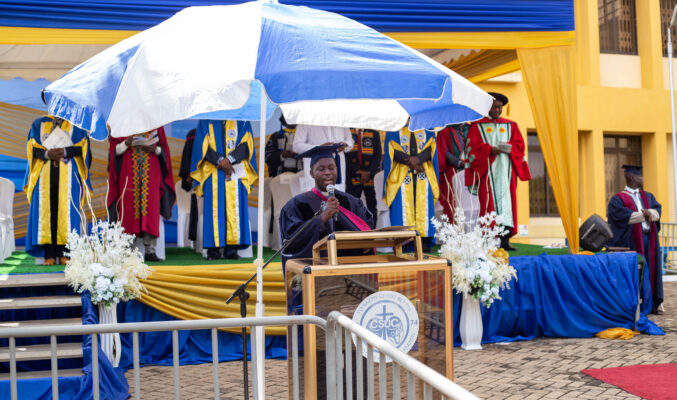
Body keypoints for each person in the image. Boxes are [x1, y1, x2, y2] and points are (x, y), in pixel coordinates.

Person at [279, 144, 374, 267]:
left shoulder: (353, 202)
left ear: (337, 170)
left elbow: (367, 231)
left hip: (350, 268)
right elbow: (291, 241)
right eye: (321, 169)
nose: (327, 172)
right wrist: (321, 220)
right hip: (315, 268)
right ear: (311, 173)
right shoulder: (296, 205)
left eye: (331, 168)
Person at [465, 92, 531, 251]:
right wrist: (489, 150)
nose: (497, 110)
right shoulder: (476, 126)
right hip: (487, 172)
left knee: (507, 204)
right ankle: (488, 240)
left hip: (506, 172)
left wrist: (510, 148)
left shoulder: (511, 125)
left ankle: (505, 241)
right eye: (494, 107)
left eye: (500, 107)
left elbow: (519, 146)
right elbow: (472, 149)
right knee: (488, 204)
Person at [24, 116, 91, 265]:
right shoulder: (38, 123)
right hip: (44, 175)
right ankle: (49, 254)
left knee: (66, 213)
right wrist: (47, 154)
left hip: (69, 176)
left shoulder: (76, 125)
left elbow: (84, 148)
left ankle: (64, 253)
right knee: (47, 213)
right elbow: (32, 148)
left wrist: (65, 151)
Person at [190, 120, 257, 260]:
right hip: (212, 170)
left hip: (235, 169)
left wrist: (230, 160)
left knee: (234, 208)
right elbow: (201, 145)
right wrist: (220, 160)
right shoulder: (206, 120)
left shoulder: (242, 119)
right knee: (214, 209)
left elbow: (246, 145)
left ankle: (231, 249)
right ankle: (213, 250)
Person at [108, 127, 175, 262]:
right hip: (128, 171)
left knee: (150, 208)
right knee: (128, 209)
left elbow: (164, 150)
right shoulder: (122, 123)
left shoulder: (156, 123)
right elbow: (114, 151)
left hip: (151, 172)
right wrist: (126, 143)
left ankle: (150, 250)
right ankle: (127, 250)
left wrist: (154, 149)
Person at [607, 165, 663, 314]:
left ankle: (651, 304)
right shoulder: (618, 199)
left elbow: (657, 211)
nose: (642, 178)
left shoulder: (648, 196)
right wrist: (645, 215)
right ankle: (634, 305)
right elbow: (621, 217)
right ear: (631, 177)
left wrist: (650, 213)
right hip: (631, 241)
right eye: (640, 176)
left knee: (651, 271)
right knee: (635, 273)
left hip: (649, 239)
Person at [383, 126, 439, 251]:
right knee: (401, 211)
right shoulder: (394, 125)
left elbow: (432, 147)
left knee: (423, 209)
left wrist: (418, 159)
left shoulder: (427, 126)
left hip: (423, 173)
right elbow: (391, 149)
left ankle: (423, 245)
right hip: (400, 175)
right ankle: (402, 246)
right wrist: (411, 161)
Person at [293, 124, 353, 192]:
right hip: (316, 166)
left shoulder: (341, 120)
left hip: (337, 166)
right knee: (316, 196)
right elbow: (296, 146)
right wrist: (319, 147)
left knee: (337, 195)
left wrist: (345, 145)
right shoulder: (305, 121)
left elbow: (350, 142)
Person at [345, 128, 382, 226]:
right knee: (351, 205)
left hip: (370, 177)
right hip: (352, 176)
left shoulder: (373, 132)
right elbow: (345, 156)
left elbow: (377, 155)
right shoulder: (347, 131)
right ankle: (353, 229)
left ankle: (372, 229)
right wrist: (356, 171)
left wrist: (369, 172)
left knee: (372, 206)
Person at [437, 123, 469, 222]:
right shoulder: (444, 131)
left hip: (471, 172)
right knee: (453, 203)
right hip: (453, 172)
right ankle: (454, 227)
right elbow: (443, 152)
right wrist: (459, 162)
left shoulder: (472, 128)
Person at [178, 128, 199, 242]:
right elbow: (189, 155)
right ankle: (197, 240)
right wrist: (189, 174)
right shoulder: (194, 134)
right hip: (198, 178)